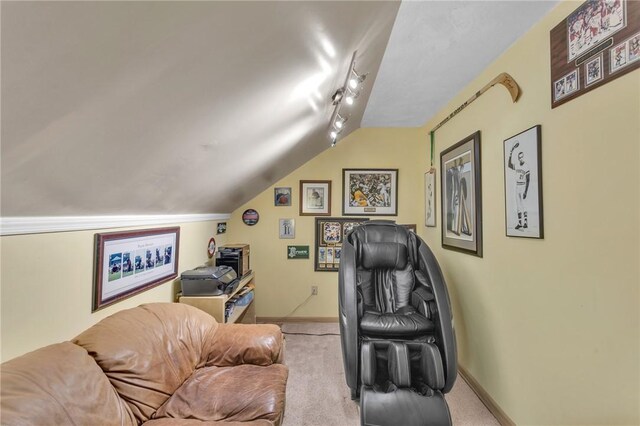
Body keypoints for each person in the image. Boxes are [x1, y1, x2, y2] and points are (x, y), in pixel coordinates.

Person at [508, 142, 530, 230]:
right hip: (517, 186)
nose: (520, 159)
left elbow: (528, 179)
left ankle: (525, 222)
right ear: (518, 158)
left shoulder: (526, 166)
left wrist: (526, 191)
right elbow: (509, 165)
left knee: (524, 205)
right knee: (518, 206)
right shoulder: (517, 165)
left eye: (522, 157)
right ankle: (520, 223)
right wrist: (511, 153)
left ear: (523, 157)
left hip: (523, 186)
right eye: (519, 157)